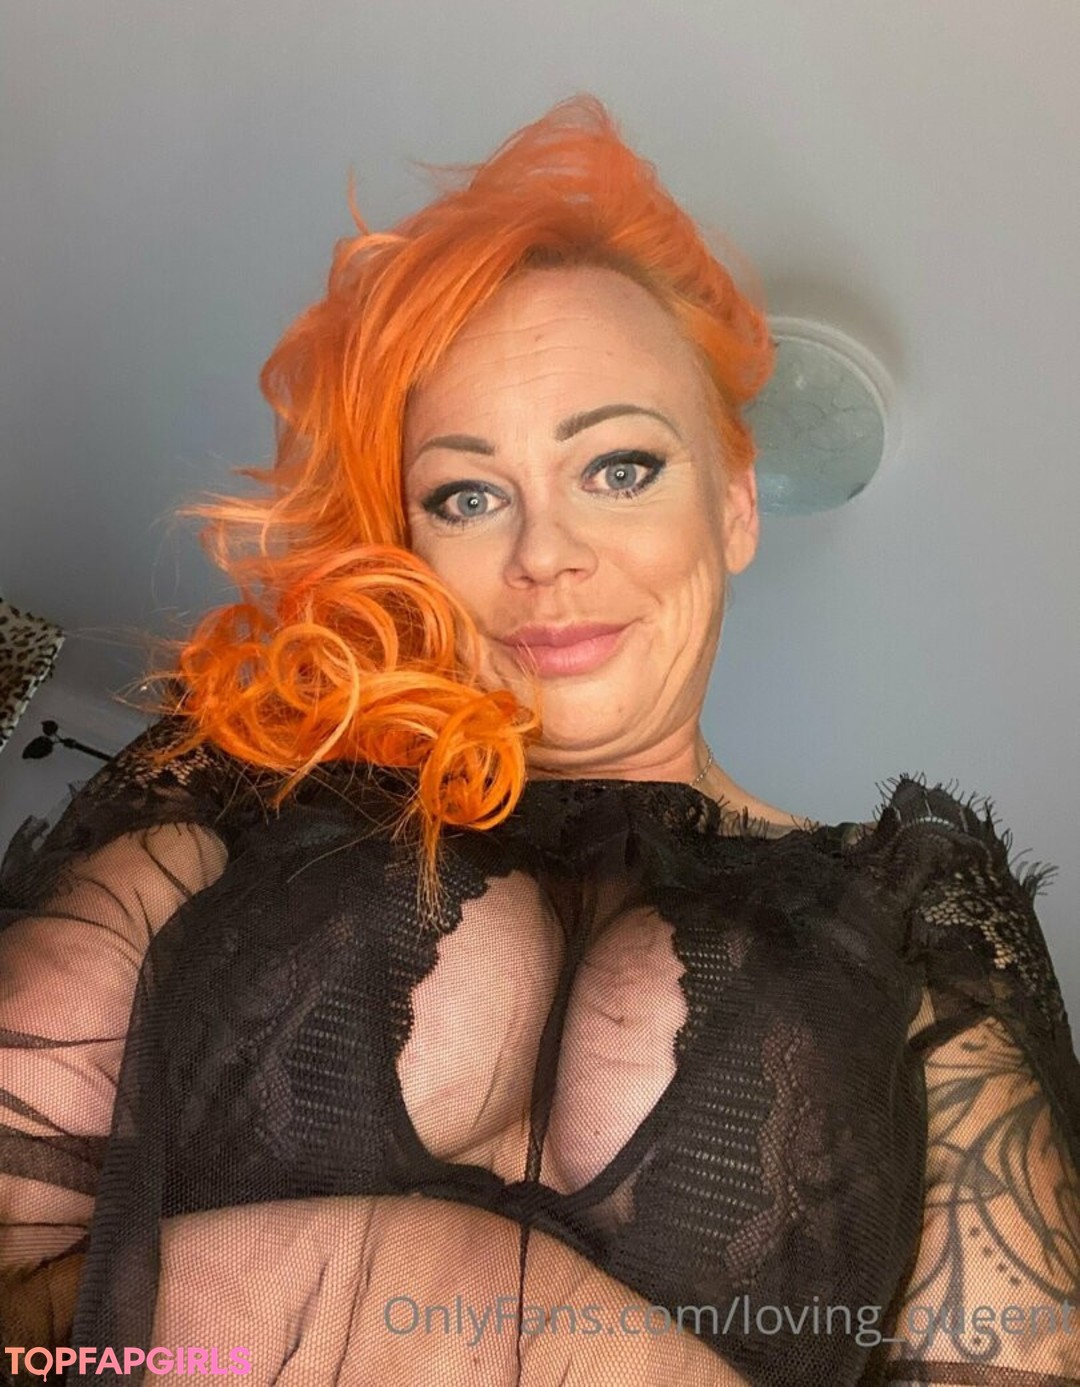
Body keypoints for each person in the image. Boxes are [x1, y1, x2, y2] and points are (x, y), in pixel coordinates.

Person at [1, 95, 1077, 1387]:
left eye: (620, 468)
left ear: (736, 507)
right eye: (467, 494)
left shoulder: (917, 928)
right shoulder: (237, 790)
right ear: (412, 549)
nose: (545, 552)